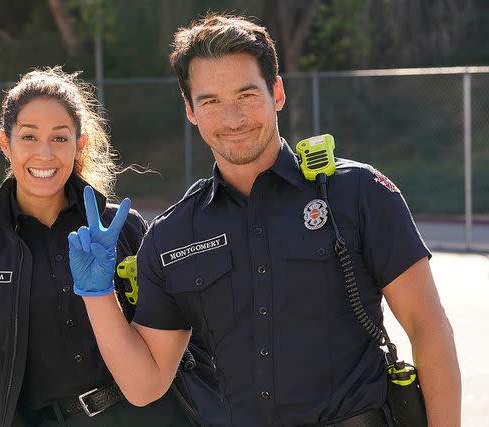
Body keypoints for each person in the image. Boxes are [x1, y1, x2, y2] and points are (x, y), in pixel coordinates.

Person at [68, 14, 461, 427]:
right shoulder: (172, 236)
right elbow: (144, 385)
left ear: (277, 92)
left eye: (246, 94)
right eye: (211, 101)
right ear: (190, 110)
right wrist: (96, 294)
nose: (232, 118)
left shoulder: (358, 192)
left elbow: (427, 326)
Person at [0, 67, 191, 427]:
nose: (45, 154)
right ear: (6, 143)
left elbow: (169, 344)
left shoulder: (123, 229)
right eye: (29, 137)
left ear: (79, 144)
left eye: (60, 138)